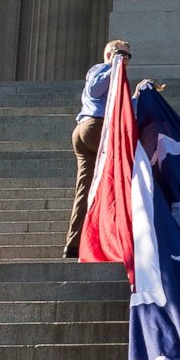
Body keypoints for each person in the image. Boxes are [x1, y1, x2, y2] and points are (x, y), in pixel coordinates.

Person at [65, 39, 130, 260]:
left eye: (129, 56)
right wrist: (115, 65)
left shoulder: (115, 75)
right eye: (122, 54)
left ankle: (74, 245)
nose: (126, 60)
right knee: (123, 177)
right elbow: (95, 88)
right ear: (110, 54)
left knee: (85, 190)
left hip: (87, 130)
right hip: (96, 128)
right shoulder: (103, 69)